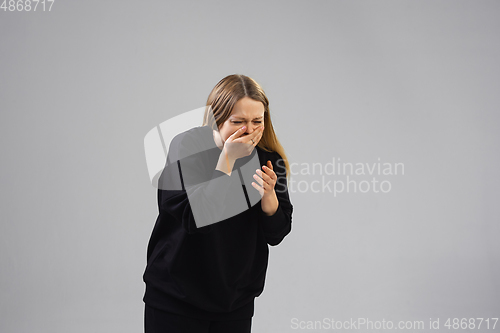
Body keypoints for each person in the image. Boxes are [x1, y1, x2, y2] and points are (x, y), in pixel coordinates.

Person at [143, 74, 294, 333]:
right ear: (216, 119)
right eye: (238, 122)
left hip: (234, 302)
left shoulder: (269, 158)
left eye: (257, 121)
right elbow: (194, 217)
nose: (249, 130)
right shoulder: (186, 146)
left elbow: (277, 232)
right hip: (176, 295)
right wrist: (226, 161)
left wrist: (269, 196)